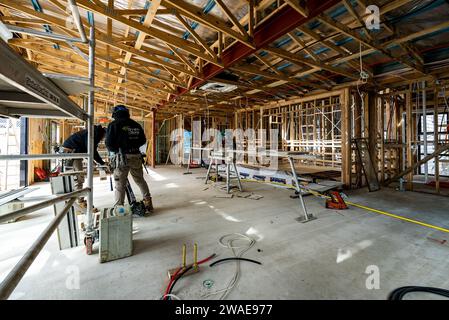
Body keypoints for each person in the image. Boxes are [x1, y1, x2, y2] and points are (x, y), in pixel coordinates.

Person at [106, 105, 153, 213]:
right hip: (136, 155)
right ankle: (148, 203)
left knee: (120, 185)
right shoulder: (135, 124)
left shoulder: (113, 125)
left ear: (115, 113)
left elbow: (109, 145)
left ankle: (119, 210)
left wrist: (119, 148)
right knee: (140, 180)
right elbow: (142, 140)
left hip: (122, 157)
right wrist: (133, 145)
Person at [62, 125, 106, 206]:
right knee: (78, 177)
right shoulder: (94, 134)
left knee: (77, 176)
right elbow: (91, 150)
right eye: (104, 137)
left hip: (75, 151)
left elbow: (88, 150)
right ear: (104, 134)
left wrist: (94, 161)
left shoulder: (94, 132)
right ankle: (78, 201)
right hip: (71, 152)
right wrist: (102, 162)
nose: (103, 139)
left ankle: (77, 199)